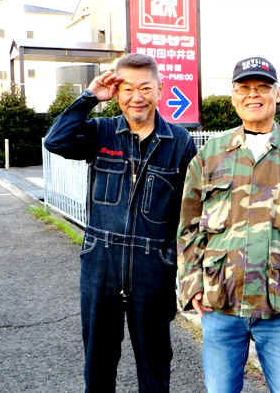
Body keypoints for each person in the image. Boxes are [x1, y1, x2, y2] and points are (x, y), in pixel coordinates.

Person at [177, 57, 280, 393]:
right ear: (234, 97)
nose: (253, 94)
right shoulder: (211, 154)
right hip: (221, 301)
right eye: (244, 88)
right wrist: (192, 284)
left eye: (262, 87)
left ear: (277, 93)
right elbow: (189, 225)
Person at [44, 53, 197, 392]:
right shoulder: (101, 132)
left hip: (153, 268)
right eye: (127, 89)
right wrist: (89, 97)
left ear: (160, 90)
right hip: (100, 265)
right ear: (116, 92)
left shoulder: (180, 142)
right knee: (98, 365)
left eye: (145, 88)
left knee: (155, 367)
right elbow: (55, 140)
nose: (136, 97)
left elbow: (189, 213)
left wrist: (186, 271)